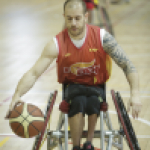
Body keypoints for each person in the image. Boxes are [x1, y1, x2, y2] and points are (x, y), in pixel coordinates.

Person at [5, 0, 142, 150]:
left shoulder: (102, 38)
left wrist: (135, 93)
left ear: (86, 16)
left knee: (93, 101)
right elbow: (33, 73)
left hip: (96, 86)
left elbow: (127, 65)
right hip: (72, 88)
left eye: (77, 18)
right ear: (64, 17)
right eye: (69, 19)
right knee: (78, 101)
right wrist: (17, 94)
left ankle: (88, 144)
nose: (73, 23)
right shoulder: (56, 43)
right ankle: (76, 147)